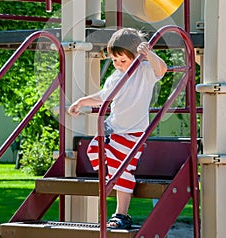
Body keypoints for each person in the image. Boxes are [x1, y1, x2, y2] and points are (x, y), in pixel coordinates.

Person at [68, 28, 167, 229]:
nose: (118, 65)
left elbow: (162, 69)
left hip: (133, 133)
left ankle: (121, 213)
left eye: (122, 61)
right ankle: (111, 175)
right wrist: (81, 101)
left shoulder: (144, 71)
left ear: (136, 56)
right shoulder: (115, 76)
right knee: (93, 150)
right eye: (114, 60)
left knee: (124, 170)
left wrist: (149, 53)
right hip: (113, 128)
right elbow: (104, 96)